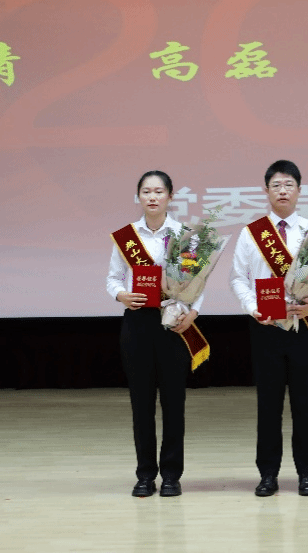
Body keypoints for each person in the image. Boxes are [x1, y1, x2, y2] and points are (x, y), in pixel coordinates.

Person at [229, 160, 308, 497]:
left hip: (304, 328)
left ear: (299, 191)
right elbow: (238, 278)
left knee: (305, 404)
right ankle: (268, 475)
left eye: (289, 185)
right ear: (266, 191)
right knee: (269, 405)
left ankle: (306, 473)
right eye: (276, 185)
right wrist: (253, 308)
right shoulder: (251, 233)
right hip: (266, 329)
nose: (282, 191)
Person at [106, 170, 203, 498]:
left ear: (170, 196)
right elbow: (113, 278)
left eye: (159, 191)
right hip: (138, 323)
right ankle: (145, 475)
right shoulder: (127, 237)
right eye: (146, 191)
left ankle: (172, 475)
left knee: (174, 403)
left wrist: (193, 312)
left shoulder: (185, 235)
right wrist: (121, 295)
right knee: (142, 404)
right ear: (138, 197)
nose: (152, 197)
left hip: (174, 323)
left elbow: (197, 282)